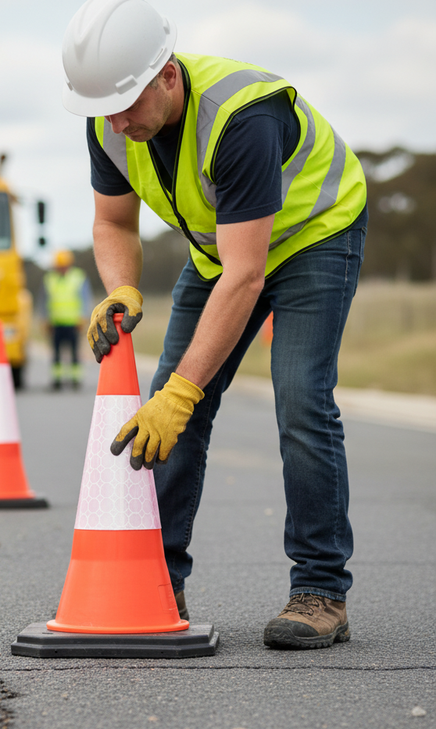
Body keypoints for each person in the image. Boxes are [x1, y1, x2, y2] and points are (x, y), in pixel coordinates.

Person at [62, 0, 368, 649]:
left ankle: (321, 591)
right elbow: (114, 223)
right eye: (104, 108)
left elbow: (247, 276)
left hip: (313, 235)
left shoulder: (241, 116)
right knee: (171, 412)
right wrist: (121, 286)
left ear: (167, 74)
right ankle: (157, 580)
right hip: (220, 253)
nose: (117, 120)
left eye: (127, 102)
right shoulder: (109, 122)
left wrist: (181, 391)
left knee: (299, 399)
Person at [40, 250, 92, 390]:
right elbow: (44, 301)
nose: (61, 268)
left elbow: (85, 299)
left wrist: (83, 318)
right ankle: (57, 380)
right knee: (56, 352)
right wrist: (45, 319)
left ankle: (76, 379)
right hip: (55, 323)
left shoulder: (78, 277)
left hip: (73, 322)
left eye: (63, 265)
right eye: (59, 265)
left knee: (75, 351)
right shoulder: (49, 279)